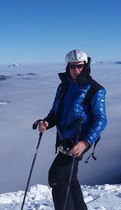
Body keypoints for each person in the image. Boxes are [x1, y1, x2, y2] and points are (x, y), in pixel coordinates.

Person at [37, 49, 107, 210]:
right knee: (70, 178)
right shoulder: (63, 87)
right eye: (72, 66)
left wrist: (85, 142)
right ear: (67, 67)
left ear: (86, 66)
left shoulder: (95, 89)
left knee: (58, 176)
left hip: (79, 140)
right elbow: (55, 112)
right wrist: (47, 123)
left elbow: (101, 120)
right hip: (65, 139)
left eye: (80, 66)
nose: (76, 70)